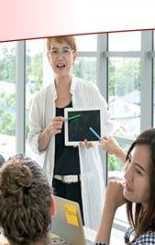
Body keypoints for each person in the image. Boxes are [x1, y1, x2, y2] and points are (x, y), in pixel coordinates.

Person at [28, 35, 122, 230]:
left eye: (65, 51)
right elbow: (35, 144)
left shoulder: (89, 91)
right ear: (48, 57)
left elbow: (106, 126)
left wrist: (93, 138)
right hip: (55, 183)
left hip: (84, 182)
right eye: (54, 51)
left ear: (74, 56)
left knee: (88, 237)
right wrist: (48, 131)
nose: (59, 57)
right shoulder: (41, 98)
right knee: (57, 237)